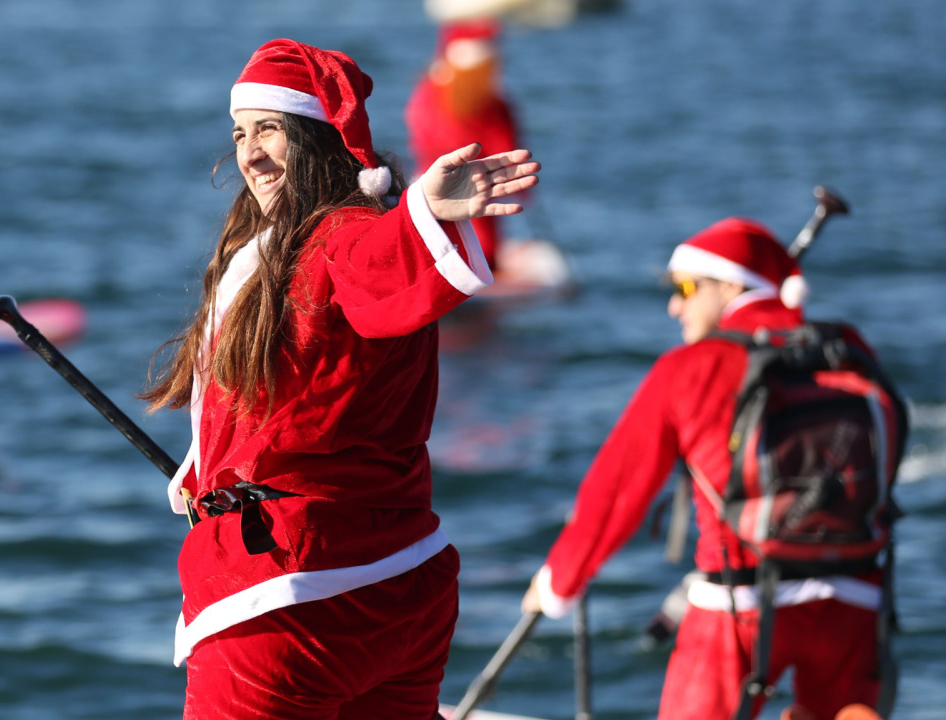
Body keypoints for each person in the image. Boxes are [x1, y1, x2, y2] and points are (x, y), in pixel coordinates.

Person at [141, 38, 538, 719]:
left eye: (269, 129)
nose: (250, 153)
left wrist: (423, 215)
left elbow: (379, 258)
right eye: (240, 133)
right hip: (406, 586)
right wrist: (203, 472)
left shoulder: (341, 238)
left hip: (293, 604)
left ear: (316, 135)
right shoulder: (283, 248)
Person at [522, 218, 898, 720]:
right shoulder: (847, 347)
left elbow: (617, 491)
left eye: (685, 287)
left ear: (731, 285)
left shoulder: (691, 366)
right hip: (855, 594)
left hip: (736, 608)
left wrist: (558, 583)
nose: (675, 305)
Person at [405, 18, 521, 270]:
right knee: (481, 249)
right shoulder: (489, 103)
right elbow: (505, 148)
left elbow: (420, 138)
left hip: (426, 184)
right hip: (475, 187)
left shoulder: (427, 91)